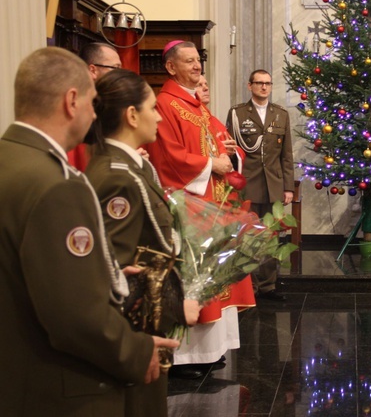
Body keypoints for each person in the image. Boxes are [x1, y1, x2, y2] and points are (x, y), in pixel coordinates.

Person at [0, 46, 178, 416]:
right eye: (92, 101)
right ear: (71, 101)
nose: (95, 113)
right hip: (59, 386)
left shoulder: (11, 159)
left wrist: (107, 271)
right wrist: (137, 352)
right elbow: (74, 316)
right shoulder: (57, 184)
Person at [84, 69, 201, 416]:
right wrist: (176, 302)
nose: (159, 115)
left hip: (150, 325)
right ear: (132, 115)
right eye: (153, 107)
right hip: (137, 333)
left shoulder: (132, 168)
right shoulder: (117, 177)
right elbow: (115, 272)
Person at [144, 40, 255, 378]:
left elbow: (226, 145)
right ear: (170, 67)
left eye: (198, 61)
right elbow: (169, 158)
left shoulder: (198, 106)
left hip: (214, 205)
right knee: (192, 278)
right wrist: (213, 164)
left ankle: (212, 350)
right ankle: (186, 357)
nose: (197, 67)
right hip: (189, 205)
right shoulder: (166, 104)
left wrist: (231, 156)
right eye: (189, 62)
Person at [226, 69, 294, 302]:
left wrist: (288, 188)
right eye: (259, 83)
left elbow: (286, 156)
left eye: (267, 83)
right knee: (247, 237)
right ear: (250, 85)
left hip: (273, 184)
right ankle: (248, 287)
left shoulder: (281, 114)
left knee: (271, 236)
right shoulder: (237, 114)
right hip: (247, 184)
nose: (264, 87)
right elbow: (231, 152)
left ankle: (268, 286)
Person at [68, 42, 123, 170]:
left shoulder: (109, 101)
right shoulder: (78, 105)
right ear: (92, 70)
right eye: (116, 68)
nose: (120, 75)